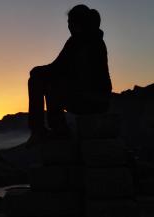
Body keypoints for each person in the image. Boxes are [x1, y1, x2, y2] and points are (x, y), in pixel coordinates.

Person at [27, 5, 112, 146]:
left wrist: (36, 71)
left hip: (91, 99)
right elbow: (59, 68)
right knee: (47, 81)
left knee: (45, 83)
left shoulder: (81, 42)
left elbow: (57, 68)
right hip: (98, 99)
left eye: (69, 23)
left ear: (77, 24)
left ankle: (49, 130)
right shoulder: (91, 40)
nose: (68, 27)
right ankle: (49, 130)